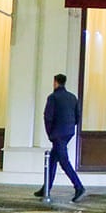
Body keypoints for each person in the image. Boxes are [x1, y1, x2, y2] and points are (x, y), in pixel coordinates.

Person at [41, 73, 85, 202]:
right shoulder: (72, 97)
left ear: (55, 82)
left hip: (57, 134)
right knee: (52, 160)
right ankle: (46, 188)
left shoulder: (53, 97)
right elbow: (77, 116)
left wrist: (50, 133)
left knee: (64, 161)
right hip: (68, 133)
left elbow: (48, 117)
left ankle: (79, 187)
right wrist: (70, 127)